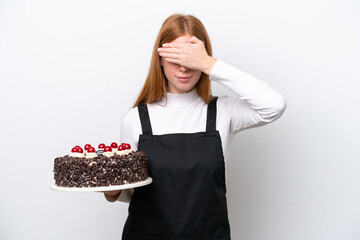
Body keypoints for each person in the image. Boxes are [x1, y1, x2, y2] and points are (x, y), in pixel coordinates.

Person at [103, 13, 286, 240]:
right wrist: (112, 192)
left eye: (191, 58)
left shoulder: (223, 112)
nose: (184, 68)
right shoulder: (136, 119)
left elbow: (274, 105)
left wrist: (209, 64)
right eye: (175, 57)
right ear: (160, 58)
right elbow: (131, 192)